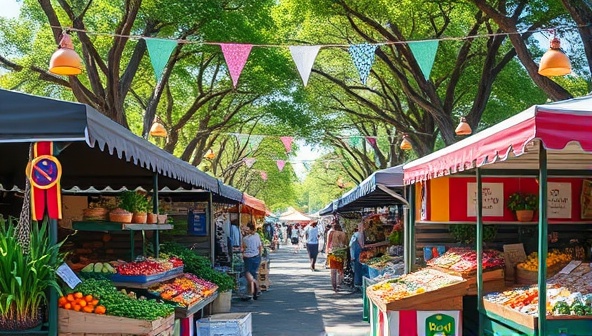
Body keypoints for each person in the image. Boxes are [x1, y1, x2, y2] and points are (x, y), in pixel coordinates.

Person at [242, 222, 262, 300]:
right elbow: (260, 247)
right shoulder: (257, 235)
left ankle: (254, 290)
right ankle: (253, 292)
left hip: (248, 258)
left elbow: (243, 248)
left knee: (248, 274)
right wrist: (260, 256)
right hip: (257, 257)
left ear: (249, 229)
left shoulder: (245, 238)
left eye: (246, 228)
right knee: (253, 274)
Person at [326, 222, 347, 292]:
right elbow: (345, 244)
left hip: (333, 252)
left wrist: (327, 252)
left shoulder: (331, 233)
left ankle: (334, 286)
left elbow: (328, 244)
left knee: (333, 270)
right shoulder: (343, 233)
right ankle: (339, 284)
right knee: (340, 270)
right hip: (341, 253)